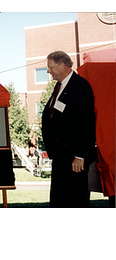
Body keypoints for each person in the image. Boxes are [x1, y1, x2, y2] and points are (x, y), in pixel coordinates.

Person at [42, 51, 96, 207]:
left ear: (62, 65)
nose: (48, 71)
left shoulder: (80, 86)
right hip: (61, 157)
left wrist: (80, 155)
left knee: (74, 201)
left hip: (74, 159)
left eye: (50, 67)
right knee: (60, 201)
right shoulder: (59, 87)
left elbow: (86, 122)